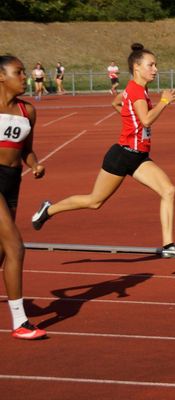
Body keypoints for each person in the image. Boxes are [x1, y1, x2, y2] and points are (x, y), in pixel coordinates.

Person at [31, 43, 175, 260]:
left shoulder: (135, 89)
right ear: (137, 67)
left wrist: (129, 120)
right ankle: (48, 210)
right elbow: (146, 119)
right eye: (151, 65)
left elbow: (116, 103)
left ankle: (168, 245)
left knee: (168, 190)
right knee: (94, 201)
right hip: (122, 155)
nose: (155, 69)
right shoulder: (136, 91)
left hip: (138, 157)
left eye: (156, 65)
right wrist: (164, 102)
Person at [0, 55, 47, 339]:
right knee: (16, 247)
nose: (25, 77)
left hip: (11, 181)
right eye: (18, 72)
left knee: (3, 250)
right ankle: (20, 322)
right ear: (1, 77)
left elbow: (27, 148)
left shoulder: (27, 110)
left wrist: (35, 164)